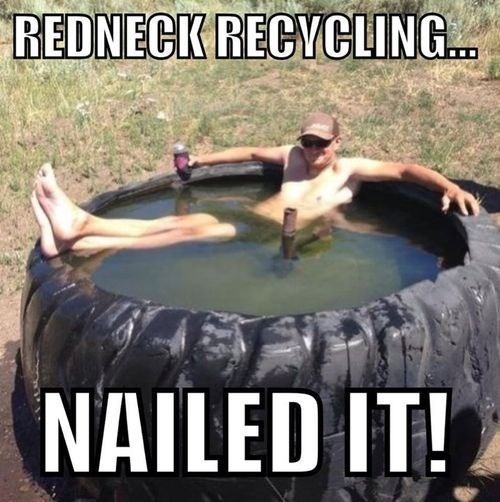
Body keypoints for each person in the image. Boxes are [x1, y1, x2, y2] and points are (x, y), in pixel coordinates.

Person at [31, 112, 479, 258]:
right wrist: (201, 160)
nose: (313, 150)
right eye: (307, 142)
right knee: (180, 227)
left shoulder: (349, 170)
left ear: (337, 143)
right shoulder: (291, 157)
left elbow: (405, 171)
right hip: (253, 218)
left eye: (321, 144)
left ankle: (82, 226)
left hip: (280, 234)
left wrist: (448, 187)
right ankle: (76, 236)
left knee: (185, 227)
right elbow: (246, 152)